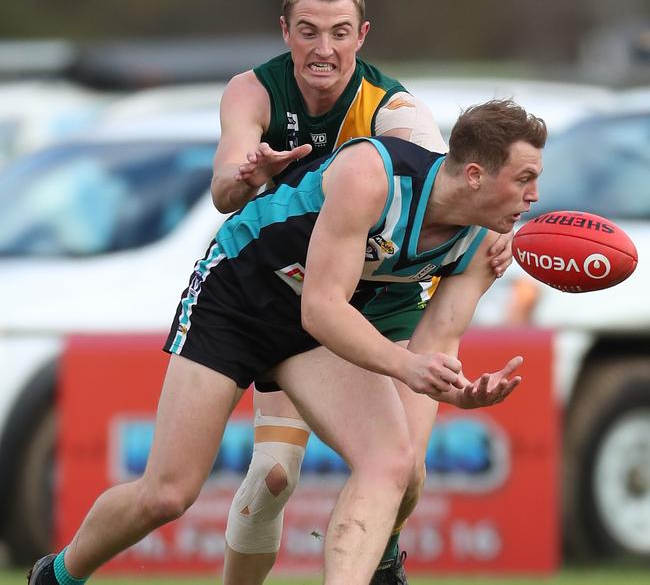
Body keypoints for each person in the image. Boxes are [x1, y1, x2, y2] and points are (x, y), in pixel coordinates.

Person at [28, 98, 545, 585]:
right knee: (166, 494)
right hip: (239, 297)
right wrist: (406, 367)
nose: (534, 196)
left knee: (393, 464)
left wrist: (456, 390)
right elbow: (322, 307)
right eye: (524, 179)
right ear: (475, 175)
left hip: (308, 327)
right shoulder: (374, 176)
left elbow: (436, 343)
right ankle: (57, 575)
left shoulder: (486, 243)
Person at [212, 0, 514, 585]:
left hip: (385, 300)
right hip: (296, 293)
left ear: (361, 34)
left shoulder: (395, 111)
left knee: (408, 475)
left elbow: (446, 188)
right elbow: (222, 193)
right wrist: (250, 177)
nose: (325, 49)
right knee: (273, 475)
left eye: (340, 32)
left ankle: (379, 566)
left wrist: (487, 229)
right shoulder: (256, 92)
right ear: (287, 32)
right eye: (309, 31)